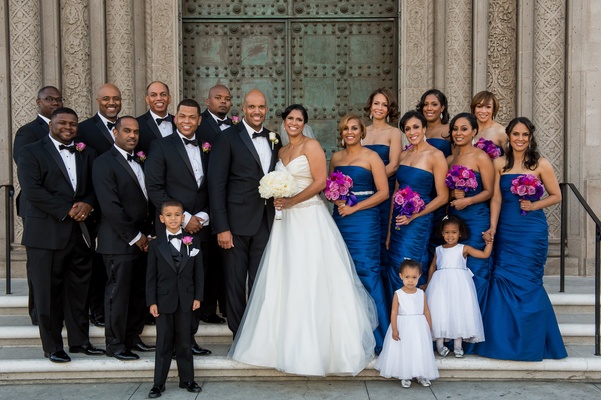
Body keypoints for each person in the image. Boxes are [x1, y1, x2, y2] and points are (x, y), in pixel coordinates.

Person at [229, 104, 377, 376]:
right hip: (285, 224)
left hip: (309, 218)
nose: (294, 123)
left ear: (304, 123)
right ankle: (275, 345)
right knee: (285, 278)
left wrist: (291, 201)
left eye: (299, 119)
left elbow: (320, 182)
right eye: (290, 119)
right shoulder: (281, 150)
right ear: (284, 122)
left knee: (311, 277)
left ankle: (318, 350)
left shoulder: (312, 146)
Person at [17, 107, 104, 362]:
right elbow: (33, 191)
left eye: (73, 124)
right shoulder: (31, 152)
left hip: (79, 233)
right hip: (45, 234)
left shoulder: (88, 153)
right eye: (62, 123)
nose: (68, 127)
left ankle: (80, 342)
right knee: (48, 294)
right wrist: (67, 209)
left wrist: (88, 204)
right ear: (50, 125)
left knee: (79, 291)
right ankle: (53, 346)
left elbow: (95, 187)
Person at [478, 117, 567, 361]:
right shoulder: (498, 163)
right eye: (516, 134)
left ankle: (531, 342)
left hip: (530, 230)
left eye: (524, 135)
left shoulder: (540, 164)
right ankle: (504, 341)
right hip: (506, 228)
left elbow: (556, 195)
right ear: (508, 136)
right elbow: (495, 198)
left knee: (527, 281)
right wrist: (493, 228)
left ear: (530, 137)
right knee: (503, 278)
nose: (520, 139)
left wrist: (535, 204)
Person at [208, 89, 282, 336]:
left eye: (261, 107)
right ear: (243, 108)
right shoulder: (227, 138)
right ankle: (239, 334)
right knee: (235, 282)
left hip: (265, 221)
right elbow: (216, 185)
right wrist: (222, 227)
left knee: (261, 280)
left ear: (266, 109)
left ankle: (259, 332)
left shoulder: (274, 137)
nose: (257, 111)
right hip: (235, 225)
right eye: (252, 107)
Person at [145, 99, 212, 356]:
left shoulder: (208, 147)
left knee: (191, 284)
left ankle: (188, 340)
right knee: (171, 284)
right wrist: (184, 218)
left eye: (192, 117)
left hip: (201, 227)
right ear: (176, 118)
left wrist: (203, 217)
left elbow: (211, 185)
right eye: (182, 116)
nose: (186, 121)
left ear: (199, 120)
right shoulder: (161, 146)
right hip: (172, 227)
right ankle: (168, 341)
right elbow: (154, 187)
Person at [92, 116, 154, 360]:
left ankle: (132, 337)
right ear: (115, 133)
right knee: (117, 294)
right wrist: (136, 236)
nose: (132, 136)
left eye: (136, 132)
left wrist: (148, 235)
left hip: (143, 240)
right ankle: (115, 344)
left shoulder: (140, 159)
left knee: (138, 293)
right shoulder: (103, 163)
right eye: (126, 131)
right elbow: (111, 207)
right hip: (118, 242)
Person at [329, 113, 390, 354]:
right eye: (345, 128)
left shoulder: (372, 157)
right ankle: (351, 333)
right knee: (344, 273)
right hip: (341, 219)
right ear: (341, 133)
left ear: (362, 131)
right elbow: (330, 188)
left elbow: (383, 192)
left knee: (367, 272)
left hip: (364, 220)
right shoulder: (336, 157)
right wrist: (337, 199)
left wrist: (355, 206)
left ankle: (381, 335)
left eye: (354, 128)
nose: (350, 132)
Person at [12, 85, 63, 325]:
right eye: (49, 99)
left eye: (58, 99)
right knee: (40, 266)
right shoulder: (28, 132)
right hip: (38, 208)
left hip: (65, 210)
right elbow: (27, 170)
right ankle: (38, 313)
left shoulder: (67, 129)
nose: (54, 103)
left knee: (60, 264)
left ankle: (60, 310)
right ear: (38, 102)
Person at [386, 110, 448, 295]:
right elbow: (396, 193)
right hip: (399, 221)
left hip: (419, 220)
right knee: (395, 265)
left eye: (416, 127)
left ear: (424, 128)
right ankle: (396, 315)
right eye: (407, 129)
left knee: (410, 265)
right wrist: (390, 230)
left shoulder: (435, 156)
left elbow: (443, 196)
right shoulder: (404, 156)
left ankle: (414, 315)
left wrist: (415, 215)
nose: (412, 132)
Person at [146, 200, 203, 398]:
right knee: (163, 342)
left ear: (183, 217)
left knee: (185, 342)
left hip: (186, 300)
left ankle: (187, 379)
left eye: (177, 214)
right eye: (168, 215)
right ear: (162, 219)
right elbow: (150, 276)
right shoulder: (155, 244)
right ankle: (158, 383)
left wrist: (198, 296)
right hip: (163, 301)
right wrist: (152, 301)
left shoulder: (193, 242)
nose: (173, 218)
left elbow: (199, 273)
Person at [78, 83, 123, 328]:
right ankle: (97, 311)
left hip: (122, 210)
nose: (111, 102)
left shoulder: (129, 128)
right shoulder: (84, 130)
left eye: (116, 98)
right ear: (98, 100)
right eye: (106, 98)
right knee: (97, 265)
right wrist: (87, 202)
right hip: (95, 210)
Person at [446, 113, 494, 309]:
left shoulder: (481, 157)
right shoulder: (450, 159)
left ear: (474, 131)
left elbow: (490, 191)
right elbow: (447, 194)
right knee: (457, 270)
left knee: (475, 267)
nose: (459, 133)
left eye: (464, 129)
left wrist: (468, 200)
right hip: (456, 220)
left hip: (476, 219)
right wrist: (453, 194)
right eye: (455, 129)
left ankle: (478, 324)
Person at [425, 215, 489, 358]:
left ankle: (458, 345)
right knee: (440, 311)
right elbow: (432, 267)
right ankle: (440, 345)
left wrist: (489, 242)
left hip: (459, 284)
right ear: (442, 233)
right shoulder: (438, 249)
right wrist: (429, 284)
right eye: (447, 232)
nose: (450, 235)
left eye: (454, 232)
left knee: (458, 311)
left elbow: (484, 255)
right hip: (440, 284)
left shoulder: (463, 248)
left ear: (460, 233)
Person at [196, 84, 234, 325]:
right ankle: (207, 308)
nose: (223, 102)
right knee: (206, 260)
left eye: (227, 99)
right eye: (218, 98)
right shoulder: (199, 124)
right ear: (207, 101)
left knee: (226, 262)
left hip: (230, 203)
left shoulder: (236, 127)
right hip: (203, 204)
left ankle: (228, 307)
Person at [375, 259, 438, 388]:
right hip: (403, 325)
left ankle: (421, 374)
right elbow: (393, 312)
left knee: (419, 349)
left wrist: (429, 327)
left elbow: (426, 310)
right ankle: (405, 375)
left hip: (419, 326)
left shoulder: (421, 293)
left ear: (419, 276)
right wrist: (394, 329)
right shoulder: (398, 294)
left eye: (414, 277)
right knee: (405, 350)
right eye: (407, 277)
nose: (411, 280)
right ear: (401, 276)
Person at [362, 88, 402, 281]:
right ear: (370, 105)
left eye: (384, 105)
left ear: (389, 109)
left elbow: (394, 165)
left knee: (382, 238)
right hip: (363, 194)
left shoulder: (394, 133)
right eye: (376, 103)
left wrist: (371, 181)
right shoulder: (362, 131)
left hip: (384, 192)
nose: (379, 108)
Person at [137, 81, 175, 155]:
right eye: (153, 95)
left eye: (163, 94)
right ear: (147, 100)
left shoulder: (179, 122)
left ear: (169, 98)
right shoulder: (138, 123)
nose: (159, 98)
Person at [417, 89, 452, 158]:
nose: (429, 108)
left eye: (434, 104)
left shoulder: (450, 129)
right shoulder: (418, 130)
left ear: (442, 108)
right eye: (425, 104)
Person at [470, 90, 507, 155]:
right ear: (474, 109)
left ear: (493, 110)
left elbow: (512, 158)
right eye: (479, 106)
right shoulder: (468, 129)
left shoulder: (501, 131)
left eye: (488, 107)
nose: (483, 111)